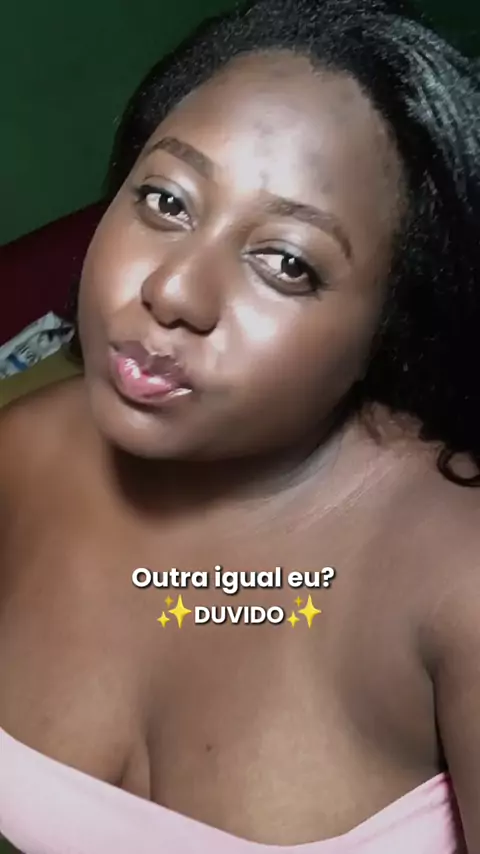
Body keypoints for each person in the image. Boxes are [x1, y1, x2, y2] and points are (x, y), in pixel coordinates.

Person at [0, 0, 479, 850]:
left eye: (287, 262)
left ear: (390, 326)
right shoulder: (18, 458)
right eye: (166, 200)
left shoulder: (459, 580)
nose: (172, 291)